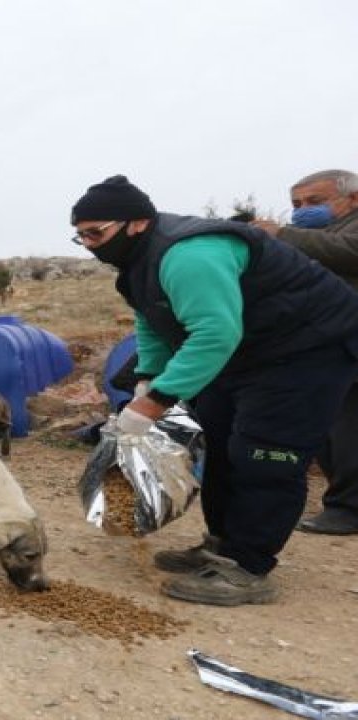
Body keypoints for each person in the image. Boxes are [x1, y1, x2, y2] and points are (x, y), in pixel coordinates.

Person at [70, 175, 358, 606]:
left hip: (307, 346)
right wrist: (148, 377)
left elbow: (215, 333)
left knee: (265, 452)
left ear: (136, 224)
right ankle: (221, 544)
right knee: (219, 440)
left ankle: (248, 568)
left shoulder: (189, 254)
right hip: (249, 350)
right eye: (81, 236)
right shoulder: (136, 265)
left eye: (97, 232)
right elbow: (151, 322)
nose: (90, 244)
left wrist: (157, 401)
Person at [249, 169, 358, 535]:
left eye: (315, 201)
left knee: (348, 428)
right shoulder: (320, 235)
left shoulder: (343, 233)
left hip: (349, 341)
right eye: (296, 204)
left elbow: (348, 253)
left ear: (353, 199)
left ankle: (348, 508)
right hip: (329, 343)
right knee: (330, 427)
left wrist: (282, 234)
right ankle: (343, 502)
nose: (302, 210)